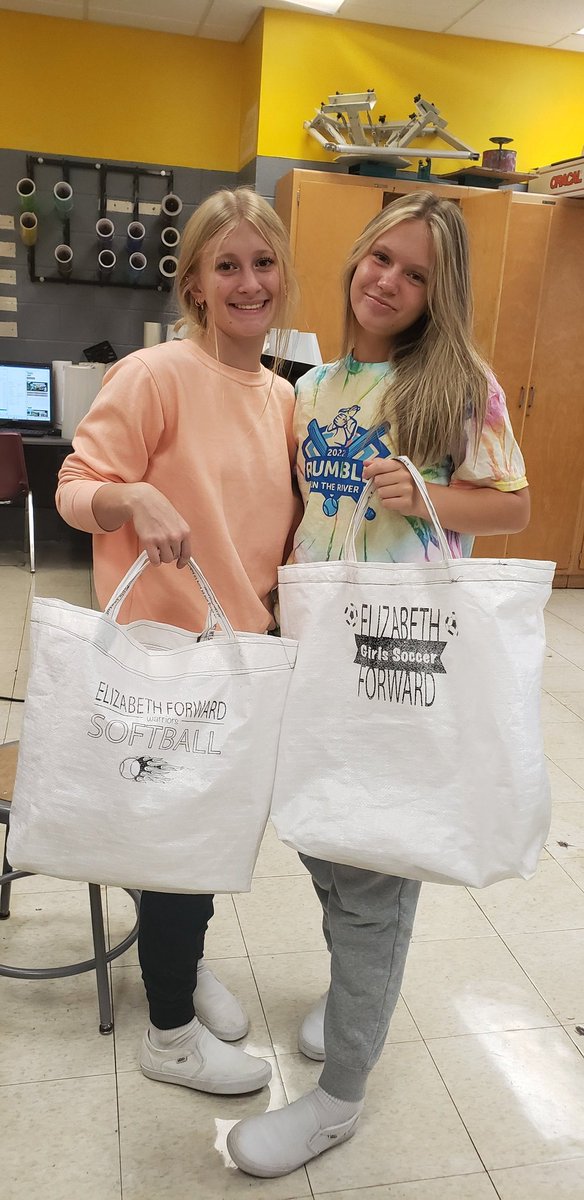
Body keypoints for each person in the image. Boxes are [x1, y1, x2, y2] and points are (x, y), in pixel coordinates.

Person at [226, 190, 530, 1176]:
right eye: (380, 259)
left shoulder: (455, 382)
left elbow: (513, 509)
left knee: (370, 877)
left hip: (395, 659)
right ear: (357, 257)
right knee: (324, 834)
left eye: (414, 273)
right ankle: (357, 983)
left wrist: (425, 493)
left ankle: (339, 1097)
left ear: (436, 294)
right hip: (313, 647)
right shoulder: (311, 383)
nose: (387, 281)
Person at [56, 187, 300, 1097]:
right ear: (193, 280)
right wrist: (131, 497)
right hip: (162, 655)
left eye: (263, 263)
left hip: (243, 654)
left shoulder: (283, 396)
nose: (247, 281)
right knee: (178, 845)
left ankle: (183, 963)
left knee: (201, 842)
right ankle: (168, 1035)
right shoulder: (155, 375)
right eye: (226, 264)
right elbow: (76, 485)